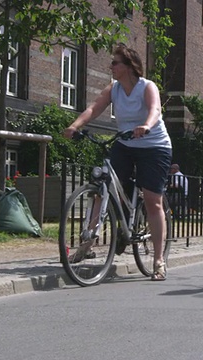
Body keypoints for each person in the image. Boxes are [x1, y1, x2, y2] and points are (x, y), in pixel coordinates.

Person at [63, 44, 172, 281]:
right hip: (125, 142)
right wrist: (75, 125)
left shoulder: (147, 86)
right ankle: (87, 245)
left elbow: (154, 109)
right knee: (101, 190)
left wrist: (146, 125)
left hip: (154, 146)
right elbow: (93, 108)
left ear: (128, 66)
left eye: (115, 63)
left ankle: (158, 260)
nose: (111, 66)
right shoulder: (113, 89)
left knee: (153, 200)